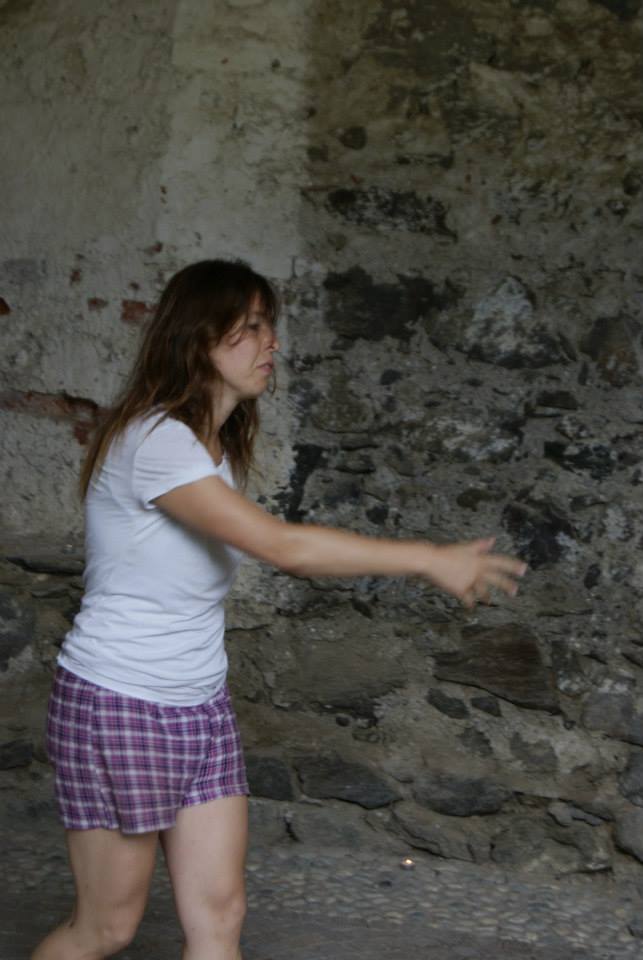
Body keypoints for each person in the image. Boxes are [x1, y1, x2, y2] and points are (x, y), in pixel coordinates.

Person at [32, 258, 527, 960]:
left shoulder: (211, 447)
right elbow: (282, 547)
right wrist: (426, 557)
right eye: (254, 326)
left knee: (219, 917)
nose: (272, 343)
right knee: (107, 929)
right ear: (200, 337)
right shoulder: (156, 441)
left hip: (199, 704)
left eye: (271, 327)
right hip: (120, 702)